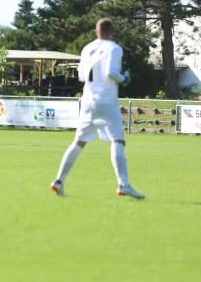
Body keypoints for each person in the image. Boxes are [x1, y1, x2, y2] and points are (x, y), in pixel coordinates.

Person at [50, 18, 144, 199]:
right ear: (112, 31)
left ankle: (59, 180)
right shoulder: (114, 48)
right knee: (117, 141)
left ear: (96, 32)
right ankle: (123, 184)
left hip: (87, 100)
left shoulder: (87, 48)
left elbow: (81, 75)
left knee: (79, 142)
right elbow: (110, 72)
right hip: (106, 101)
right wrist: (124, 79)